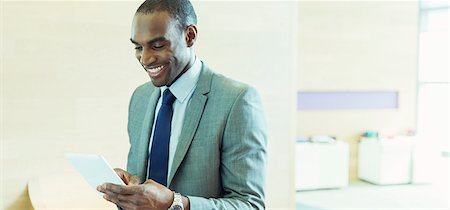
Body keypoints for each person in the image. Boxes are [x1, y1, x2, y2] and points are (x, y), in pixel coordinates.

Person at [97, 0, 268, 209]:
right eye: (138, 47)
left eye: (158, 45)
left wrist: (174, 203)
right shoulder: (140, 98)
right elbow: (145, 188)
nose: (146, 59)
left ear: (190, 36)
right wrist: (128, 189)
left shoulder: (237, 100)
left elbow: (249, 204)